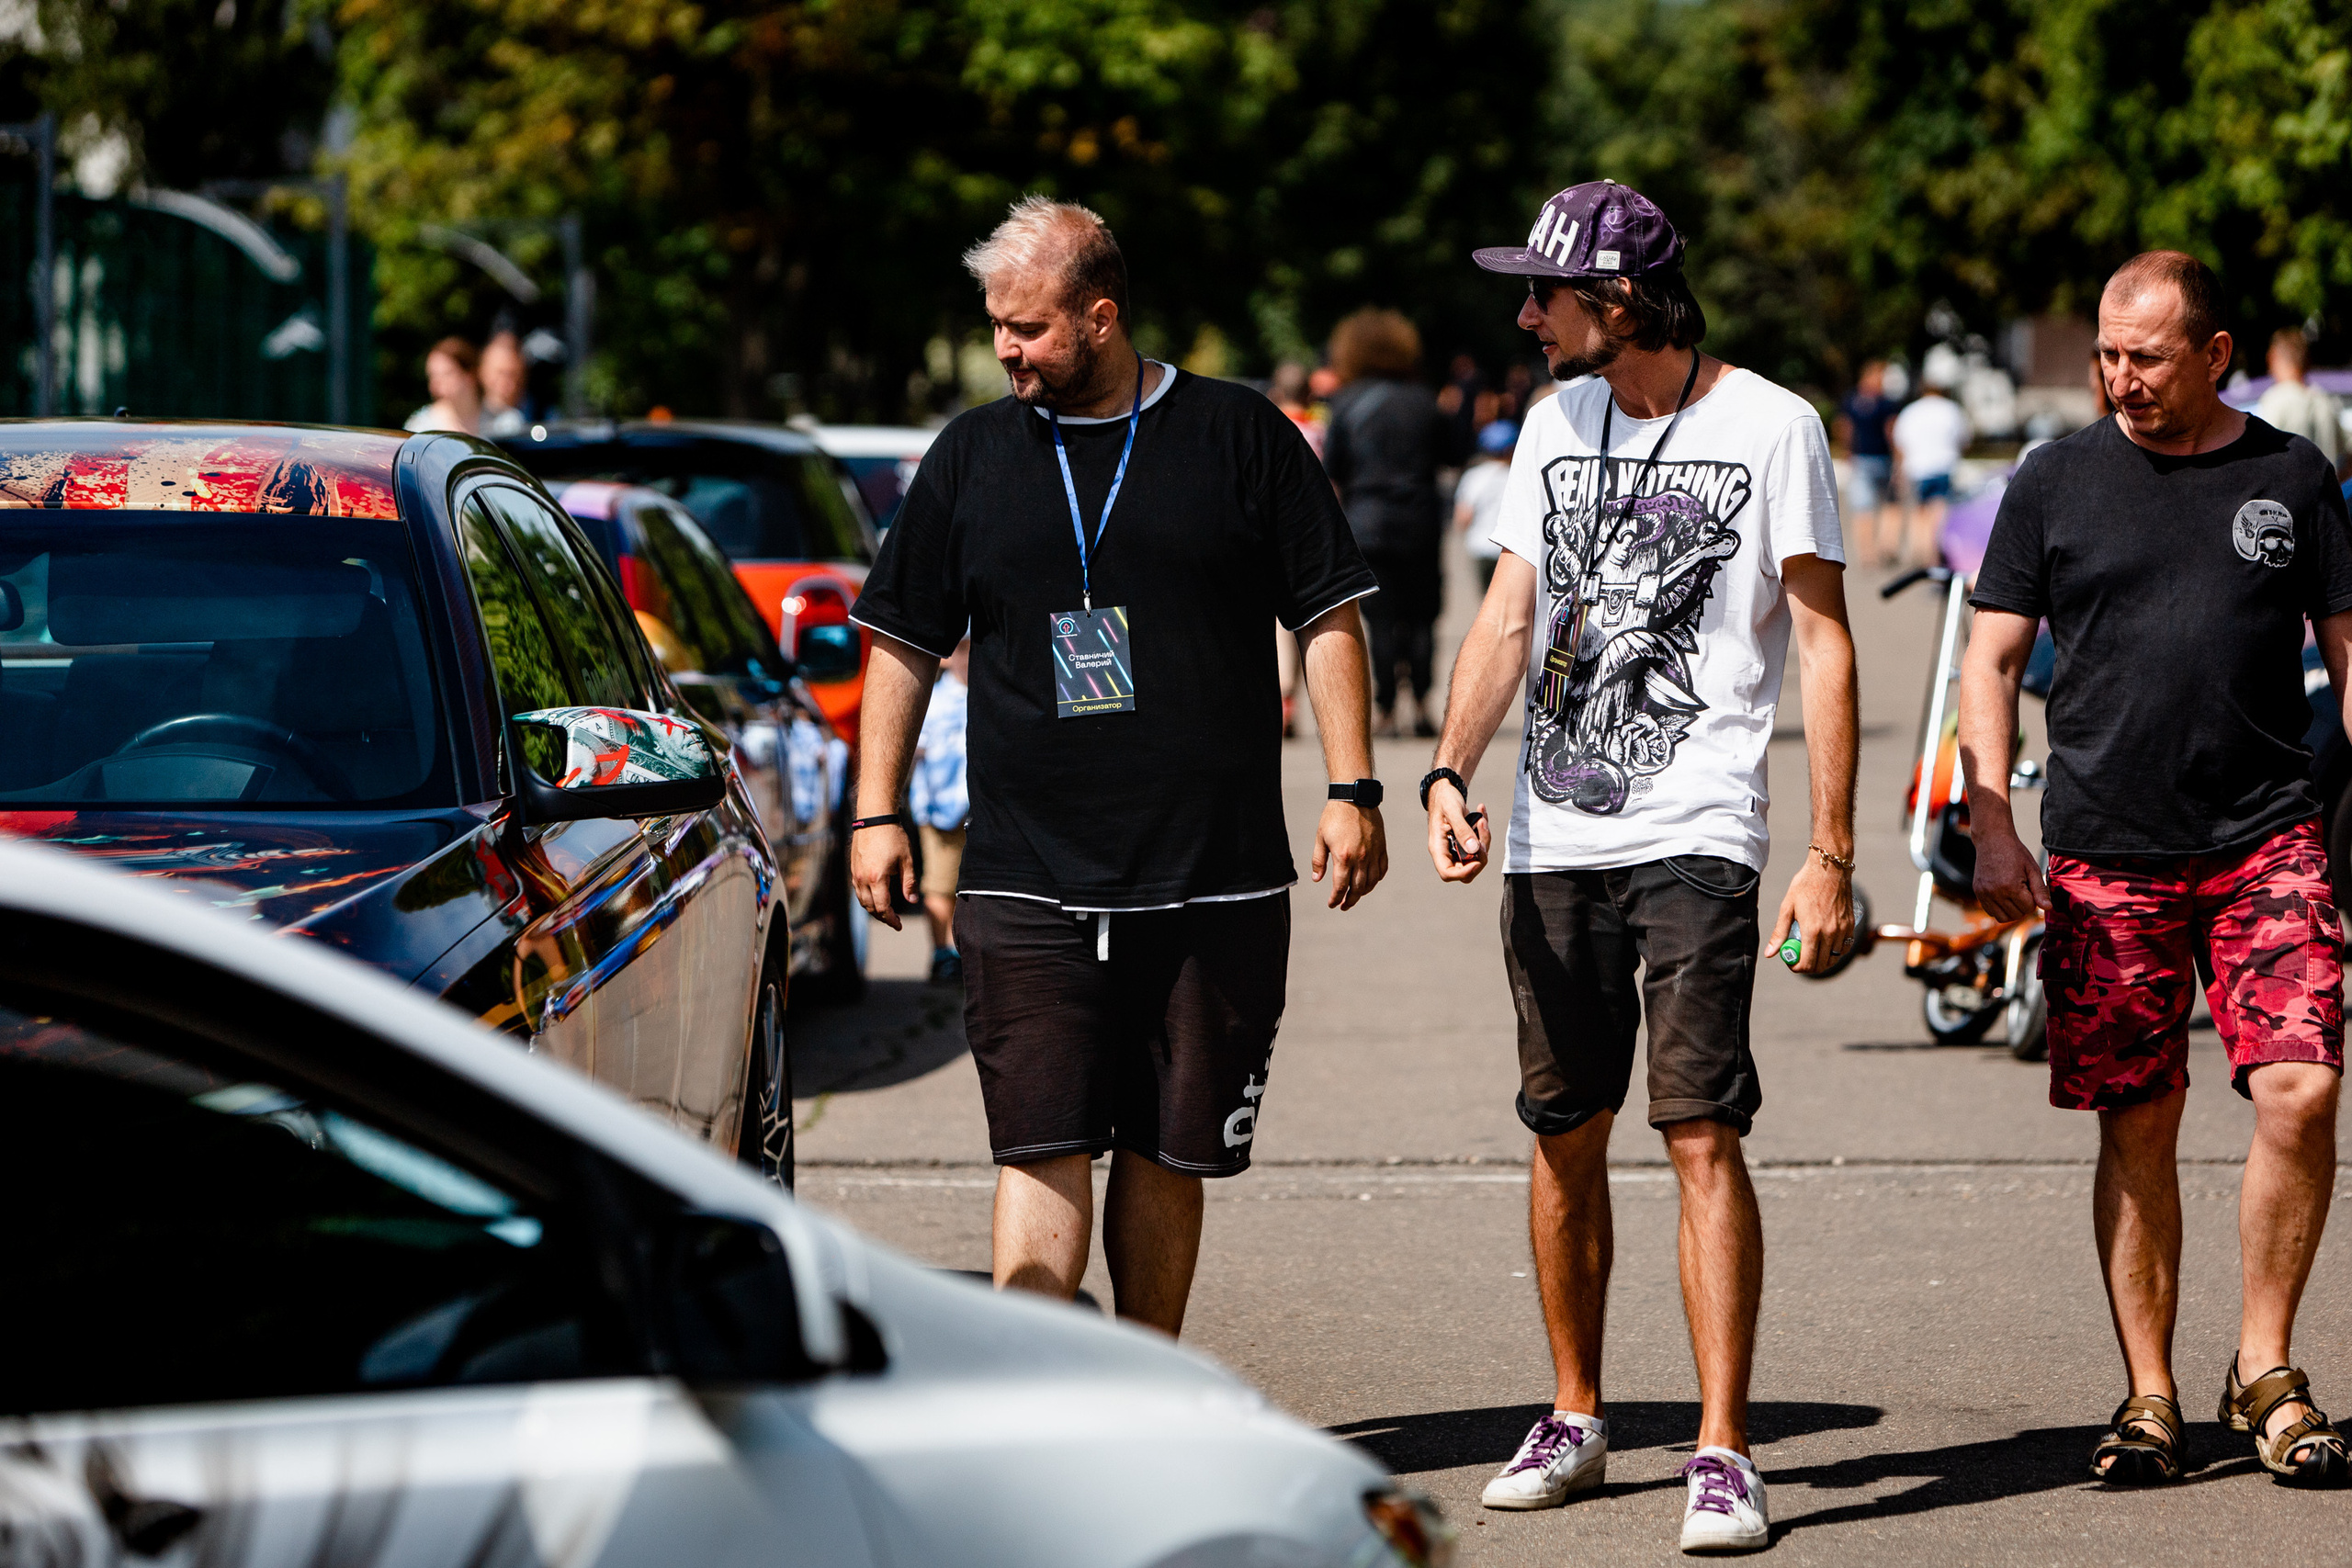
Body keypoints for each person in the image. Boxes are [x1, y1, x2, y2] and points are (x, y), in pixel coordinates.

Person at [847, 196, 1388, 1337]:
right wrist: (875, 813)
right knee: (1037, 1143)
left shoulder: (1241, 437)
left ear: (1100, 318)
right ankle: (1040, 1406)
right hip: (1024, 872)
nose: (1005, 349)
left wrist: (1352, 789)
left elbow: (1329, 615)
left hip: (1214, 873)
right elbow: (897, 639)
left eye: (1029, 328)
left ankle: (1147, 1392)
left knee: (1167, 1149)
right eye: (995, 325)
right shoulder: (970, 456)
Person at [1424, 178, 1859, 1554]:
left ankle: (1723, 1449)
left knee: (1697, 1126)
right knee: (1561, 1129)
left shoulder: (1774, 425)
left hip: (1701, 827)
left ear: (1619, 302)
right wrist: (1447, 766)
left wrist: (1830, 851)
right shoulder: (1552, 422)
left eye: (1544, 292)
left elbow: (1826, 638)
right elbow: (1511, 610)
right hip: (1557, 829)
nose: (1524, 312)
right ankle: (1577, 1411)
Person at [1961, 251, 2352, 1489]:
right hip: (2104, 848)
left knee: (2300, 1085)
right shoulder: (2053, 478)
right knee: (2141, 1117)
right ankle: (2149, 1390)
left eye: (2149, 357)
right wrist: (1989, 820)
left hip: (2267, 834)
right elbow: (1990, 657)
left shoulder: (2289, 475)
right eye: (2107, 356)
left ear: (2217, 353)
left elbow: (2348, 641)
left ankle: (2268, 1367)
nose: (2121, 379)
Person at [1325, 308, 1450, 739]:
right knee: (1421, 616)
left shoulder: (1345, 402)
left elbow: (1333, 466)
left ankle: (1385, 709)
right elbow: (1451, 454)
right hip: (1420, 520)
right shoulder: (1423, 400)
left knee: (1378, 619)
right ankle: (1421, 701)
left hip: (1367, 522)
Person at [909, 637, 972, 984]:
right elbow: (912, 746)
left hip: (980, 809)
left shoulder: (985, 696)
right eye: (962, 651)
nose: (969, 659)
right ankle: (942, 953)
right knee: (940, 884)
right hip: (942, 810)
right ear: (947, 658)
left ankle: (964, 952)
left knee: (969, 886)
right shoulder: (933, 700)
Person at [1892, 362, 1970, 567]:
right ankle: (1934, 555)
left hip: (1918, 468)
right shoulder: (1952, 410)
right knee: (1938, 513)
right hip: (1943, 466)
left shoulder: (1911, 411)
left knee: (1919, 513)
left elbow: (1900, 442)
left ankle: (1920, 551)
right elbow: (1964, 440)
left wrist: (1899, 470)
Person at [1835, 360, 1900, 565]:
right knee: (1886, 506)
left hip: (1863, 458)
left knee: (1865, 509)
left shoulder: (1851, 400)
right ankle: (1883, 546)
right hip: (1880, 459)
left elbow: (1843, 427)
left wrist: (1848, 450)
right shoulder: (1886, 403)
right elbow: (1892, 432)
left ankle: (1868, 552)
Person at [2256, 326, 2343, 469]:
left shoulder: (2275, 400)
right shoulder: (2326, 401)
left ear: (2272, 356)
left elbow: (2261, 460)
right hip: (2328, 491)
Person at [1452, 417, 1519, 593]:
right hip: (1511, 549)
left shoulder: (1474, 476)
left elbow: (1463, 517)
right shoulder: (1519, 477)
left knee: (1486, 597)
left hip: (1480, 547)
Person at [404, 337, 483, 434]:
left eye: (446, 374)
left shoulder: (500, 422)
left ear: (470, 375)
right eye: (432, 376)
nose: (436, 383)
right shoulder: (421, 426)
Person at [480, 327, 531, 439]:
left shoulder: (541, 416)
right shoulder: (466, 418)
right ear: (482, 372)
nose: (505, 381)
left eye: (512, 374)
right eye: (500, 373)